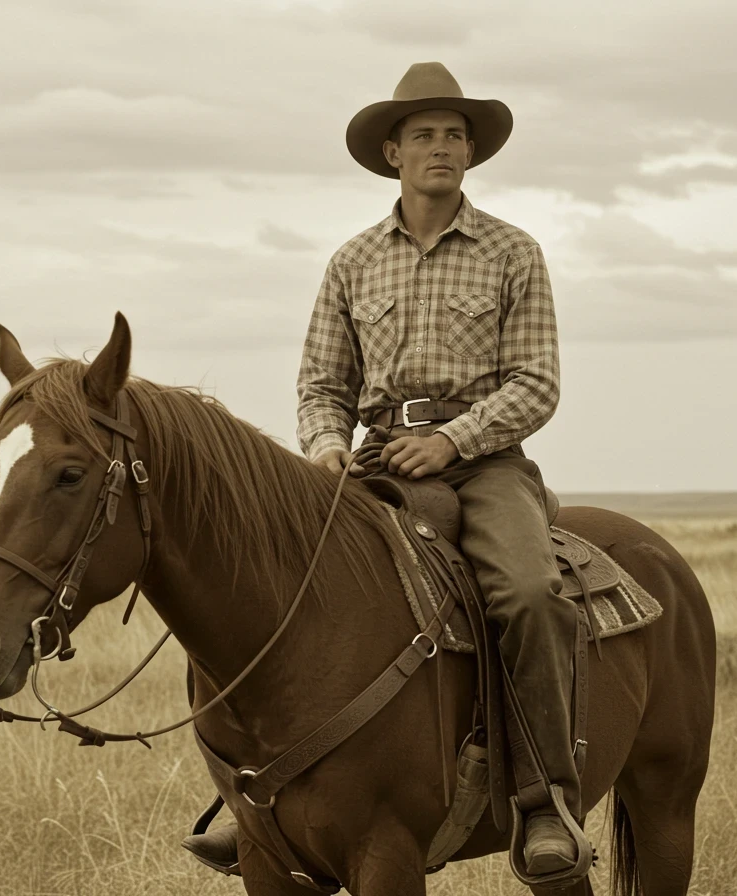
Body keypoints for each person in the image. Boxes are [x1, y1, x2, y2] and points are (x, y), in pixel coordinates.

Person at [184, 61, 584, 877]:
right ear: (393, 151)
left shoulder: (513, 252)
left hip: (484, 464)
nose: (442, 147)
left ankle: (545, 802)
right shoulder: (353, 261)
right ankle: (253, 797)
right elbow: (321, 383)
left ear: (470, 153)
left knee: (531, 591)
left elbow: (537, 381)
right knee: (269, 589)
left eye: (454, 135)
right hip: (370, 461)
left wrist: (455, 441)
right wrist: (325, 447)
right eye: (425, 135)